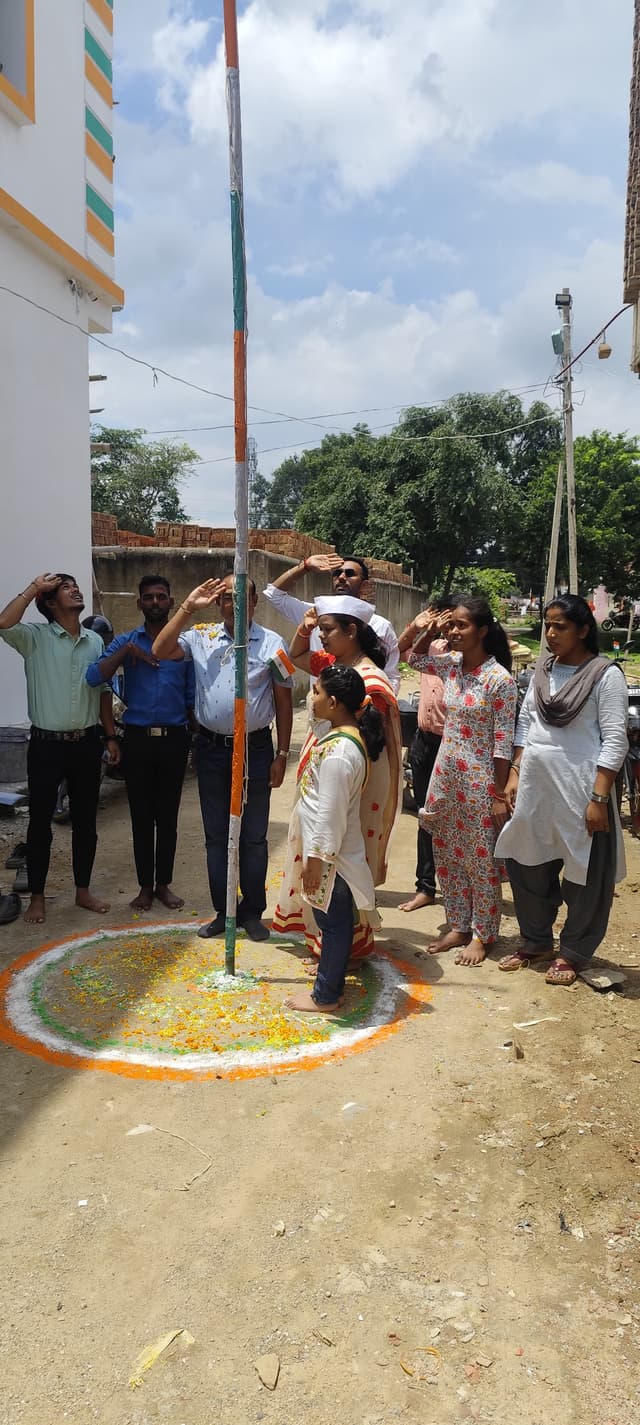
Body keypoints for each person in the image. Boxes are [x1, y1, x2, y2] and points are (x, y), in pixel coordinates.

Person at [152, 572, 293, 941]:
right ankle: (224, 911)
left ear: (254, 601)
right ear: (219, 603)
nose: (235, 604)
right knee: (217, 837)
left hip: (257, 749)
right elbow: (159, 650)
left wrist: (282, 753)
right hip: (213, 751)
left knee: (254, 836)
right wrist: (186, 607)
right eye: (228, 598)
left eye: (242, 596)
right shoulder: (201, 637)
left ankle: (251, 913)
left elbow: (283, 699)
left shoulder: (273, 643)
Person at [495, 595, 628, 986]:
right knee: (526, 862)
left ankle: (573, 951)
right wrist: (515, 773)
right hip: (537, 787)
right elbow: (526, 725)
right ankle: (535, 941)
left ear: (584, 630)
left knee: (585, 873)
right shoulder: (542, 672)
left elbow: (615, 739)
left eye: (560, 627)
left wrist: (599, 798)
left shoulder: (606, 675)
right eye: (547, 626)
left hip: (581, 789)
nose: (550, 635)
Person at [273, 594, 402, 960]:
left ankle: (341, 950)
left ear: (352, 631)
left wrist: (334, 786)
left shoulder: (369, 681)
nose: (322, 637)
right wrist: (305, 627)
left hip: (348, 789)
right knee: (321, 861)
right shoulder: (332, 666)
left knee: (338, 866)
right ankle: (325, 944)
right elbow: (297, 658)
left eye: (328, 630)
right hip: (324, 779)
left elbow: (366, 749)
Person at [0, 573, 120, 924]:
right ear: (51, 603)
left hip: (86, 743)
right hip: (45, 746)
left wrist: (111, 737)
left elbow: (102, 693)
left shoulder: (95, 641)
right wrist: (33, 587)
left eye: (74, 585)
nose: (76, 588)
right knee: (40, 823)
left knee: (86, 822)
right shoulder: (34, 637)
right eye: (66, 588)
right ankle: (37, 896)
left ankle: (82, 891)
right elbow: (4, 622)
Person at [410, 597, 517, 966]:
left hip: (480, 781)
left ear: (482, 631)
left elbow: (504, 740)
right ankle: (457, 924)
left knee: (480, 859)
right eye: (451, 624)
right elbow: (413, 658)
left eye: (461, 626)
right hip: (445, 777)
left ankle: (483, 934)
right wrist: (429, 628)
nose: (454, 632)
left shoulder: (499, 679)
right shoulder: (452, 667)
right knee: (447, 854)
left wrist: (500, 793)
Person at [86, 574, 196, 912]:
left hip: (174, 740)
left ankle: (164, 884)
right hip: (138, 741)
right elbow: (93, 677)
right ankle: (144, 888)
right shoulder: (125, 641)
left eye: (161, 597)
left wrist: (192, 737)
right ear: (139, 603)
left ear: (170, 602)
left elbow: (191, 694)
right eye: (148, 597)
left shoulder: (183, 647)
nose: (154, 603)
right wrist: (126, 654)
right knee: (141, 817)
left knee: (168, 818)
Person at [281, 665, 386, 1013]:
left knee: (334, 922)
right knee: (333, 920)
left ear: (335, 701)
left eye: (317, 693)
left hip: (331, 855)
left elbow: (331, 813)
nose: (312, 698)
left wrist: (315, 859)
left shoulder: (341, 753)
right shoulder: (338, 735)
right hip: (327, 850)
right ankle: (329, 985)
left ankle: (325, 995)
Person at [263, 552, 401, 692]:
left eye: (349, 573)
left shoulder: (381, 626)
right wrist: (305, 566)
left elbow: (391, 678)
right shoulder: (315, 614)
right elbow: (274, 594)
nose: (341, 577)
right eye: (337, 573)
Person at [396, 596, 453, 911]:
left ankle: (460, 888)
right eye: (441, 618)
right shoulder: (428, 648)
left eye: (451, 621)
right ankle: (426, 887)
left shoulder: (465, 656)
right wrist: (421, 629)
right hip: (425, 742)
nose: (445, 627)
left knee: (456, 820)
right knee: (424, 815)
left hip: (453, 746)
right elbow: (401, 653)